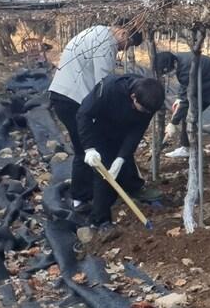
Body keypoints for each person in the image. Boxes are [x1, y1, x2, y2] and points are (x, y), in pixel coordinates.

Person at [49, 24, 142, 192]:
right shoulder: (105, 43)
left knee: (89, 145)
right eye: (127, 44)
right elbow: (105, 83)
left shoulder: (95, 31)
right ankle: (82, 197)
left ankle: (93, 190)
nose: (123, 49)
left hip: (64, 94)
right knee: (86, 148)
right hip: (71, 98)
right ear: (123, 33)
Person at [75, 74, 164, 243]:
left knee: (123, 163)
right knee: (104, 175)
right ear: (133, 97)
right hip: (98, 130)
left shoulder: (149, 101)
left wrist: (122, 157)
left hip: (122, 131)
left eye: (149, 112)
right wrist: (89, 148)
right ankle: (100, 220)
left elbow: (136, 132)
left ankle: (134, 188)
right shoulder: (109, 88)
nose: (147, 114)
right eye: (144, 110)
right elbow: (83, 115)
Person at [153, 50, 210, 168]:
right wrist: (179, 98)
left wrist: (173, 123)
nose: (167, 76)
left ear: (173, 64)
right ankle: (185, 147)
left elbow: (187, 98)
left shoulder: (187, 66)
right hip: (204, 84)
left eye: (167, 72)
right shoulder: (178, 61)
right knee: (188, 114)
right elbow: (185, 85)